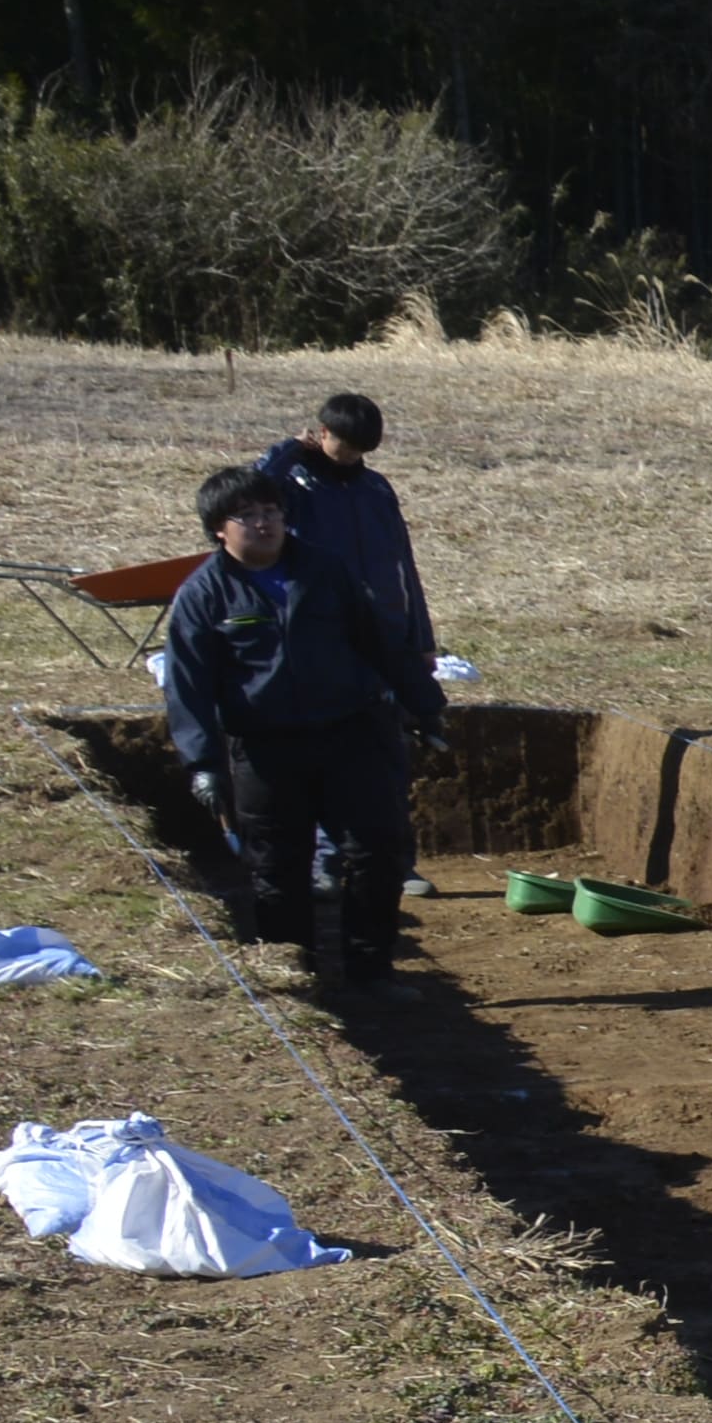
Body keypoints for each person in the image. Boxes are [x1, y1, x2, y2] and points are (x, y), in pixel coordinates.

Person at [159, 459, 445, 989]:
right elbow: (188, 684)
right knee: (278, 869)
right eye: (247, 515)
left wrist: (424, 705)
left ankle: (369, 972)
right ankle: (296, 979)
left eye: (271, 511)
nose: (264, 523)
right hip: (267, 750)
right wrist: (202, 763)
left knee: (374, 855)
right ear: (219, 528)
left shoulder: (325, 571)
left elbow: (380, 641)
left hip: (350, 734)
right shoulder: (204, 595)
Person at [255, 389, 438, 698]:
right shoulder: (294, 486)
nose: (353, 456)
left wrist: (422, 641)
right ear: (324, 432)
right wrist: (291, 449)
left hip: (382, 626)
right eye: (348, 446)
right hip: (319, 628)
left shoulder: (376, 489)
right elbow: (249, 491)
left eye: (361, 450)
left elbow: (403, 563)